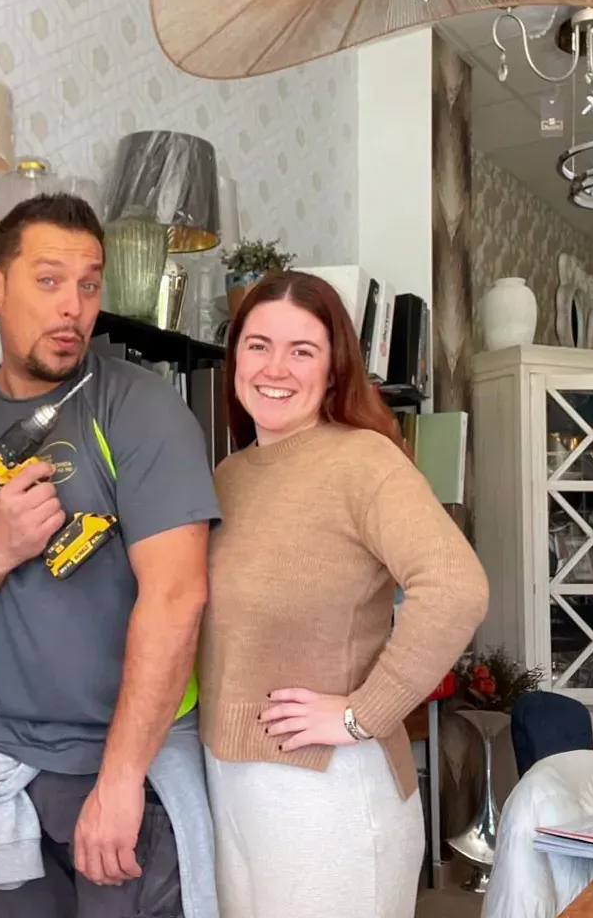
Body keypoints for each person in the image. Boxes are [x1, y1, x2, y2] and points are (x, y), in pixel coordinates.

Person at [0, 193, 219, 918]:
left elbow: (177, 597)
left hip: (131, 774)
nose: (72, 307)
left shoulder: (143, 408)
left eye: (88, 284)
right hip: (9, 770)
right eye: (49, 280)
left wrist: (121, 781)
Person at [198, 271, 488, 918]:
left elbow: (456, 587)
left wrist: (362, 713)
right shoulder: (228, 476)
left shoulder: (362, 461)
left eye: (302, 350)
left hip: (328, 792)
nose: (275, 368)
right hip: (232, 781)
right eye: (258, 345)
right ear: (235, 358)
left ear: (334, 371)